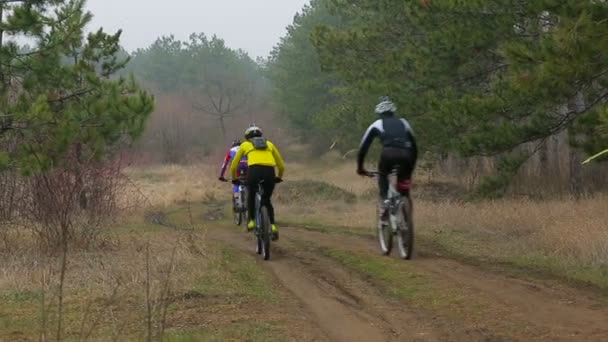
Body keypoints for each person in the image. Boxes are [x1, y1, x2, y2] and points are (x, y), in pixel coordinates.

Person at [357, 96, 418, 224]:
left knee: (383, 175)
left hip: (388, 155)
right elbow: (414, 146)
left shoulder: (377, 124)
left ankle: (385, 202)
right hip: (406, 156)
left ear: (379, 113)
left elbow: (363, 147)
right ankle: (407, 221)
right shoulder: (404, 122)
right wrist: (411, 165)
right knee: (404, 191)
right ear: (393, 111)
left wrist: (360, 167)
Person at [230, 125, 285, 241]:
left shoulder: (245, 145)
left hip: (254, 172)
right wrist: (278, 177)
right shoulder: (270, 144)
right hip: (270, 173)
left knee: (251, 195)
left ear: (247, 137)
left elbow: (234, 165)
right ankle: (273, 226)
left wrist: (234, 178)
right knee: (266, 200)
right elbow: (281, 166)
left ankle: (251, 221)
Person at [219, 139, 248, 210]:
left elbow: (224, 164)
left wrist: (221, 175)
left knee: (236, 182)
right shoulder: (245, 148)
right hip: (247, 166)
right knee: (248, 182)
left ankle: (237, 200)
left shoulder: (231, 150)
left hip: (237, 167)